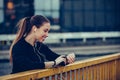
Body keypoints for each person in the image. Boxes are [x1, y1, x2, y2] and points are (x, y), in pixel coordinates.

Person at [9, 15, 75, 74]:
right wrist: (54, 63)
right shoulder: (19, 47)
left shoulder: (39, 46)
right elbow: (28, 65)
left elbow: (55, 57)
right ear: (34, 28)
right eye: (45, 31)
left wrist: (68, 58)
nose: (47, 35)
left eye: (48, 31)